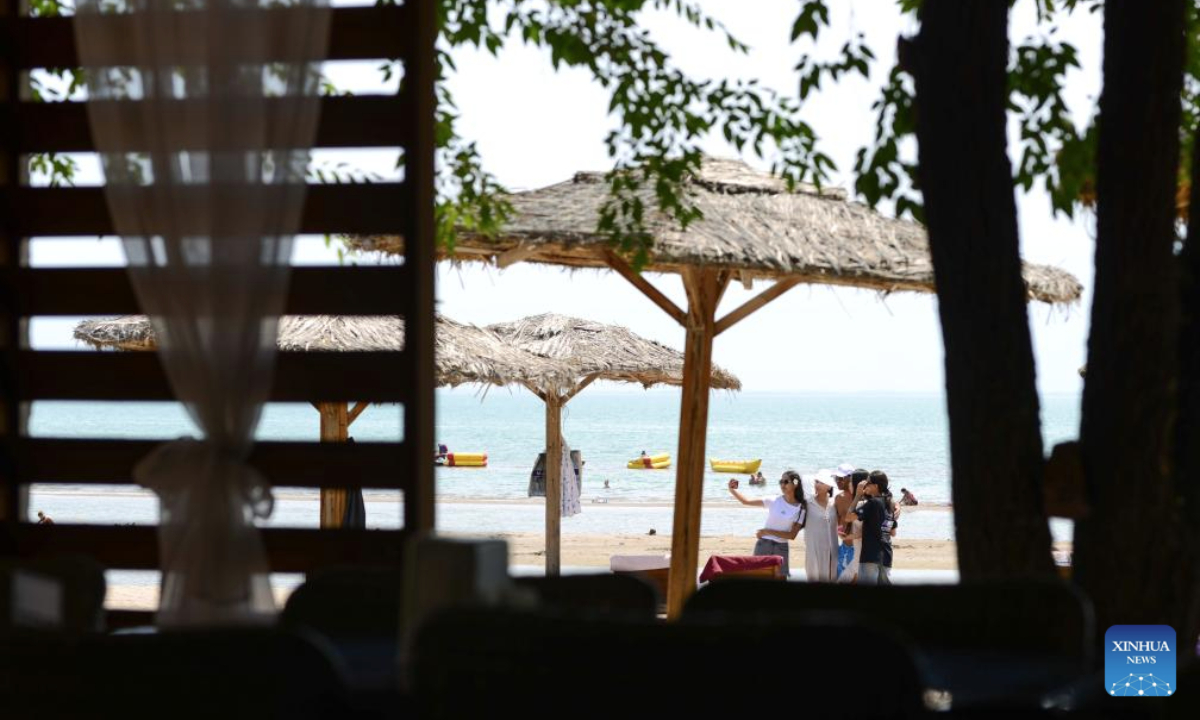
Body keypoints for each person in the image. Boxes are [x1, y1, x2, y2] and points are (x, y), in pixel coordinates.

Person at [727, 470, 807, 578]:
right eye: (781, 481)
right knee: (758, 579)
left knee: (781, 580)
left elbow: (792, 535)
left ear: (795, 484)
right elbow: (746, 501)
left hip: (781, 547)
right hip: (763, 545)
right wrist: (732, 490)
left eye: (786, 481)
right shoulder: (773, 500)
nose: (782, 484)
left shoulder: (801, 508)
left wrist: (767, 531)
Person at [852, 470, 896, 585]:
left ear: (875, 486)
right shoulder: (889, 504)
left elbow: (848, 516)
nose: (866, 485)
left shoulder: (873, 503)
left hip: (871, 556)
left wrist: (857, 495)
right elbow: (891, 531)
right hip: (886, 555)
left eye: (868, 483)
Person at [805, 471, 839, 582]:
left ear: (829, 486)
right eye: (816, 482)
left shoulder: (835, 503)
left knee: (831, 578)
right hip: (813, 548)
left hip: (832, 549)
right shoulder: (807, 502)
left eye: (821, 482)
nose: (817, 485)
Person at [838, 468, 870, 584]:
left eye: (851, 481)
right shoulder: (865, 502)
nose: (848, 484)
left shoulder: (863, 503)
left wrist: (849, 537)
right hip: (860, 552)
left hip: (862, 552)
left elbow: (848, 517)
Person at [832, 465, 857, 579]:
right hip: (844, 547)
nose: (838, 481)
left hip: (858, 548)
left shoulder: (862, 498)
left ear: (851, 478)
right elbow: (838, 520)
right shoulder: (839, 498)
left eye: (841, 478)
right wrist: (839, 531)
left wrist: (897, 506)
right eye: (836, 478)